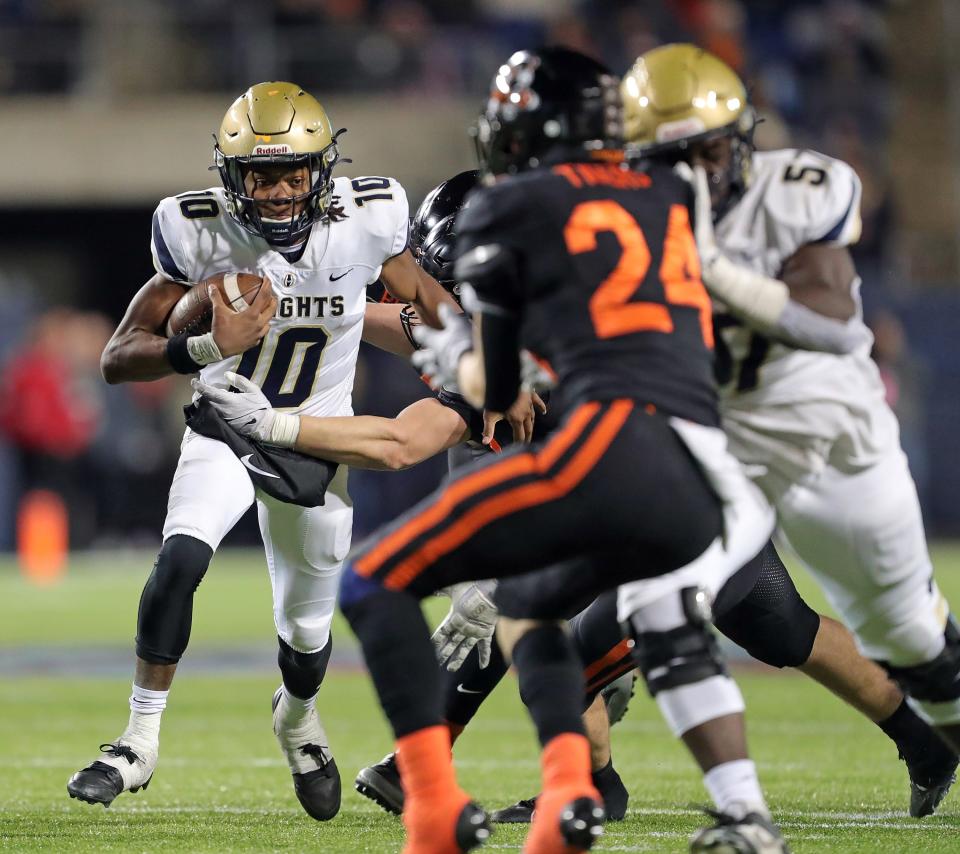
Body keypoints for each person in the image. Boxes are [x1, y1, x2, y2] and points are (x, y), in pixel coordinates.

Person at [343, 47, 787, 854]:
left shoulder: (511, 209)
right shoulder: (672, 192)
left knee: (375, 580)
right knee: (547, 611)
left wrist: (452, 359)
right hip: (712, 468)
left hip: (607, 453)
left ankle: (436, 804)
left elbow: (498, 385)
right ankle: (694, 809)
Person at [66, 81, 455, 821]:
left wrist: (480, 364)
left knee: (306, 639)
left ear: (323, 172)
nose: (276, 193)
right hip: (224, 424)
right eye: (259, 176)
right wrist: (207, 345)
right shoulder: (199, 234)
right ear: (233, 179)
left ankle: (297, 720)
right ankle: (138, 741)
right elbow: (119, 357)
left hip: (319, 436)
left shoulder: (367, 223)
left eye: (291, 174)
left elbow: (429, 305)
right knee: (180, 560)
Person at [621, 43, 960, 766]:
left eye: (708, 152)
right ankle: (739, 811)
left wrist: (712, 271)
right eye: (669, 161)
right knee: (658, 602)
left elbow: (833, 322)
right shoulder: (620, 224)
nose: (694, 177)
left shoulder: (800, 186)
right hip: (724, 443)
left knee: (911, 645)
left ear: (741, 142)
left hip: (830, 436)